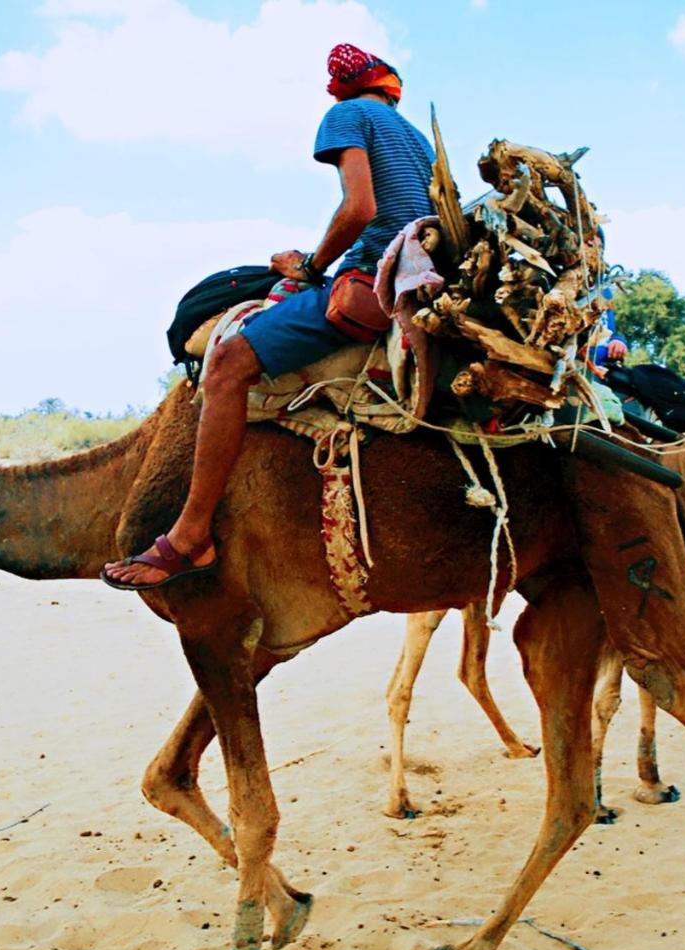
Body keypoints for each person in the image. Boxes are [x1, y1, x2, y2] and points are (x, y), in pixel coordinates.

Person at [103, 44, 436, 589]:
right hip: (413, 279)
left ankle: (190, 536)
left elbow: (361, 210)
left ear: (345, 87)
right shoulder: (418, 141)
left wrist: (309, 266)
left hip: (370, 281)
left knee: (228, 363)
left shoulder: (347, 114)